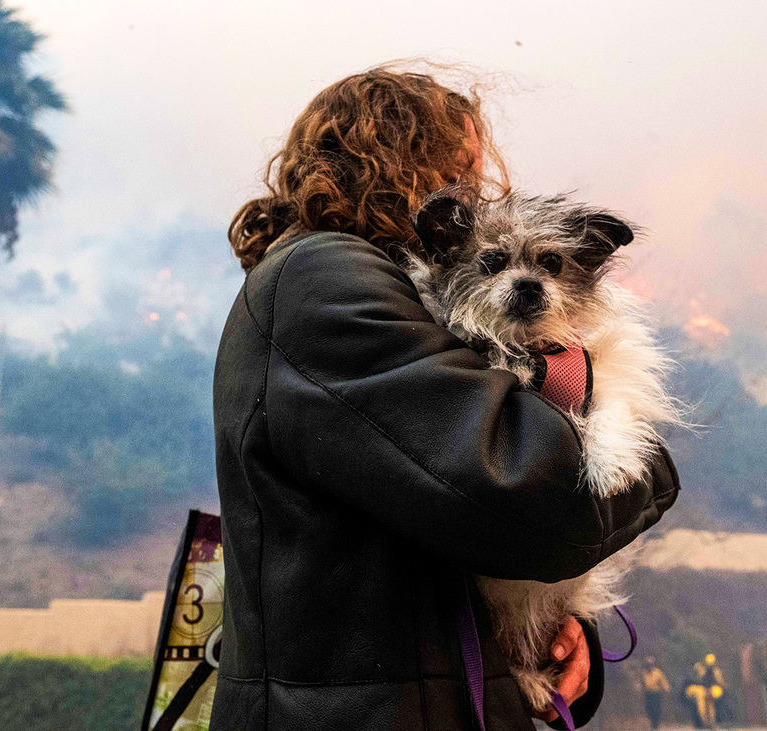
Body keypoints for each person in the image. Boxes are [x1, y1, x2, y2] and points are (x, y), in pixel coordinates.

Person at [211, 66, 681, 731]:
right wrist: (649, 460)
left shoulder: (367, 289)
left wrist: (547, 629)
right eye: (470, 168)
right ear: (409, 161)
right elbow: (525, 496)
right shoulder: (327, 281)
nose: (489, 191)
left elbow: (443, 518)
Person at [683, 653, 725, 729]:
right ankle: (706, 722)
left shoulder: (712, 670)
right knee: (703, 706)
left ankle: (708, 722)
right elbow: (719, 682)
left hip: (707, 691)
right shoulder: (703, 669)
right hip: (702, 691)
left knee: (708, 706)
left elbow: (719, 681)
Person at [641, 657, 671, 729]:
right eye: (648, 664)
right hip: (648, 693)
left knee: (656, 709)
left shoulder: (658, 672)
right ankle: (652, 723)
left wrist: (666, 688)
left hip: (656, 693)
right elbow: (642, 683)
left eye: (651, 664)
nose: (649, 666)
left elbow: (663, 681)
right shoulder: (644, 673)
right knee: (649, 709)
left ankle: (655, 725)